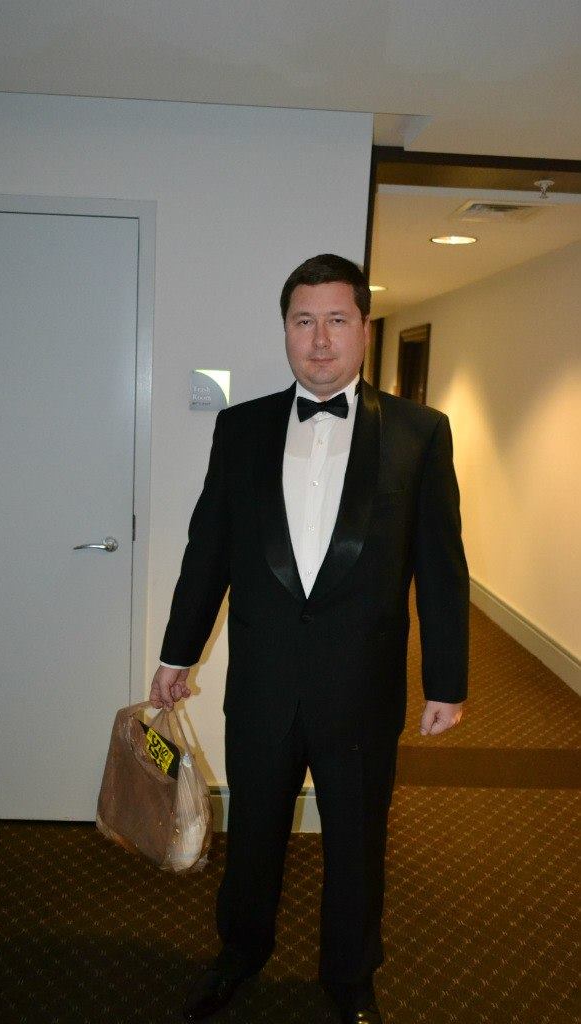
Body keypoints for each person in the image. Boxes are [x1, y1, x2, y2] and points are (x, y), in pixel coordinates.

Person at [150, 254, 469, 1024]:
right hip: (263, 684)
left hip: (362, 689)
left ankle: (350, 977)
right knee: (253, 834)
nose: (320, 340)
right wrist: (176, 654)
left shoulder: (420, 434)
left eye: (336, 320)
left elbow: (441, 563)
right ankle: (240, 953)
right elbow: (208, 552)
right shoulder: (241, 428)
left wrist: (447, 681)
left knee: (356, 843)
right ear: (286, 330)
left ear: (364, 328)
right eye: (303, 321)